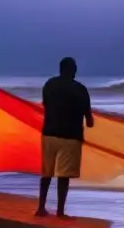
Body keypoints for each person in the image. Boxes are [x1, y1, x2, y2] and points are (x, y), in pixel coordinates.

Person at [37, 57, 93, 218]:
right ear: (72, 70)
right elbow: (89, 120)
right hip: (70, 136)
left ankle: (41, 208)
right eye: (75, 68)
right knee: (64, 175)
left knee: (46, 172)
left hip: (49, 133)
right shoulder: (80, 89)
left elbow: (46, 105)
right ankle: (60, 211)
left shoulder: (49, 85)